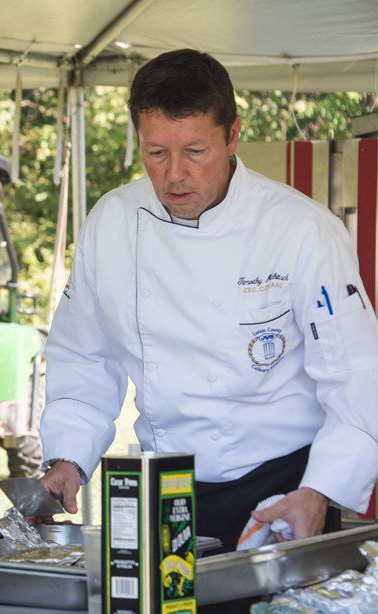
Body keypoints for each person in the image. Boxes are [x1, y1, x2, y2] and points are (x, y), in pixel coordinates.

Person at [38, 49, 378, 552]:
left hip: (283, 492)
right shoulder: (111, 222)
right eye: (156, 153)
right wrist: (67, 457)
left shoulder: (302, 231)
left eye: (195, 152)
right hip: (166, 486)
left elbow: (358, 377)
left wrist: (321, 490)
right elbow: (83, 358)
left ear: (233, 135)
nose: (174, 175)